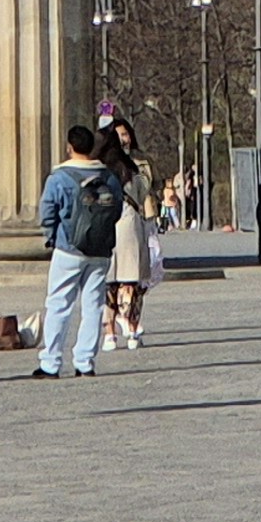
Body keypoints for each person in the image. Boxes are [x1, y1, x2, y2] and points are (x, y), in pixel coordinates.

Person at [33, 124, 119, 378]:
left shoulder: (59, 177)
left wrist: (51, 236)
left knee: (59, 303)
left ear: (69, 147)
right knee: (93, 304)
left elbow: (47, 211)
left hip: (69, 247)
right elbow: (117, 209)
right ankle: (85, 362)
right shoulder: (109, 176)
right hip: (100, 249)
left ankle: (51, 362)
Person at [102, 117, 158, 351]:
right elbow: (144, 188)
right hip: (122, 220)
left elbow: (148, 189)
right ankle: (116, 330)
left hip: (127, 221)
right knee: (120, 279)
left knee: (122, 279)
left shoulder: (136, 161)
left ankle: (121, 329)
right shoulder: (123, 166)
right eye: (119, 135)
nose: (123, 139)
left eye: (125, 134)